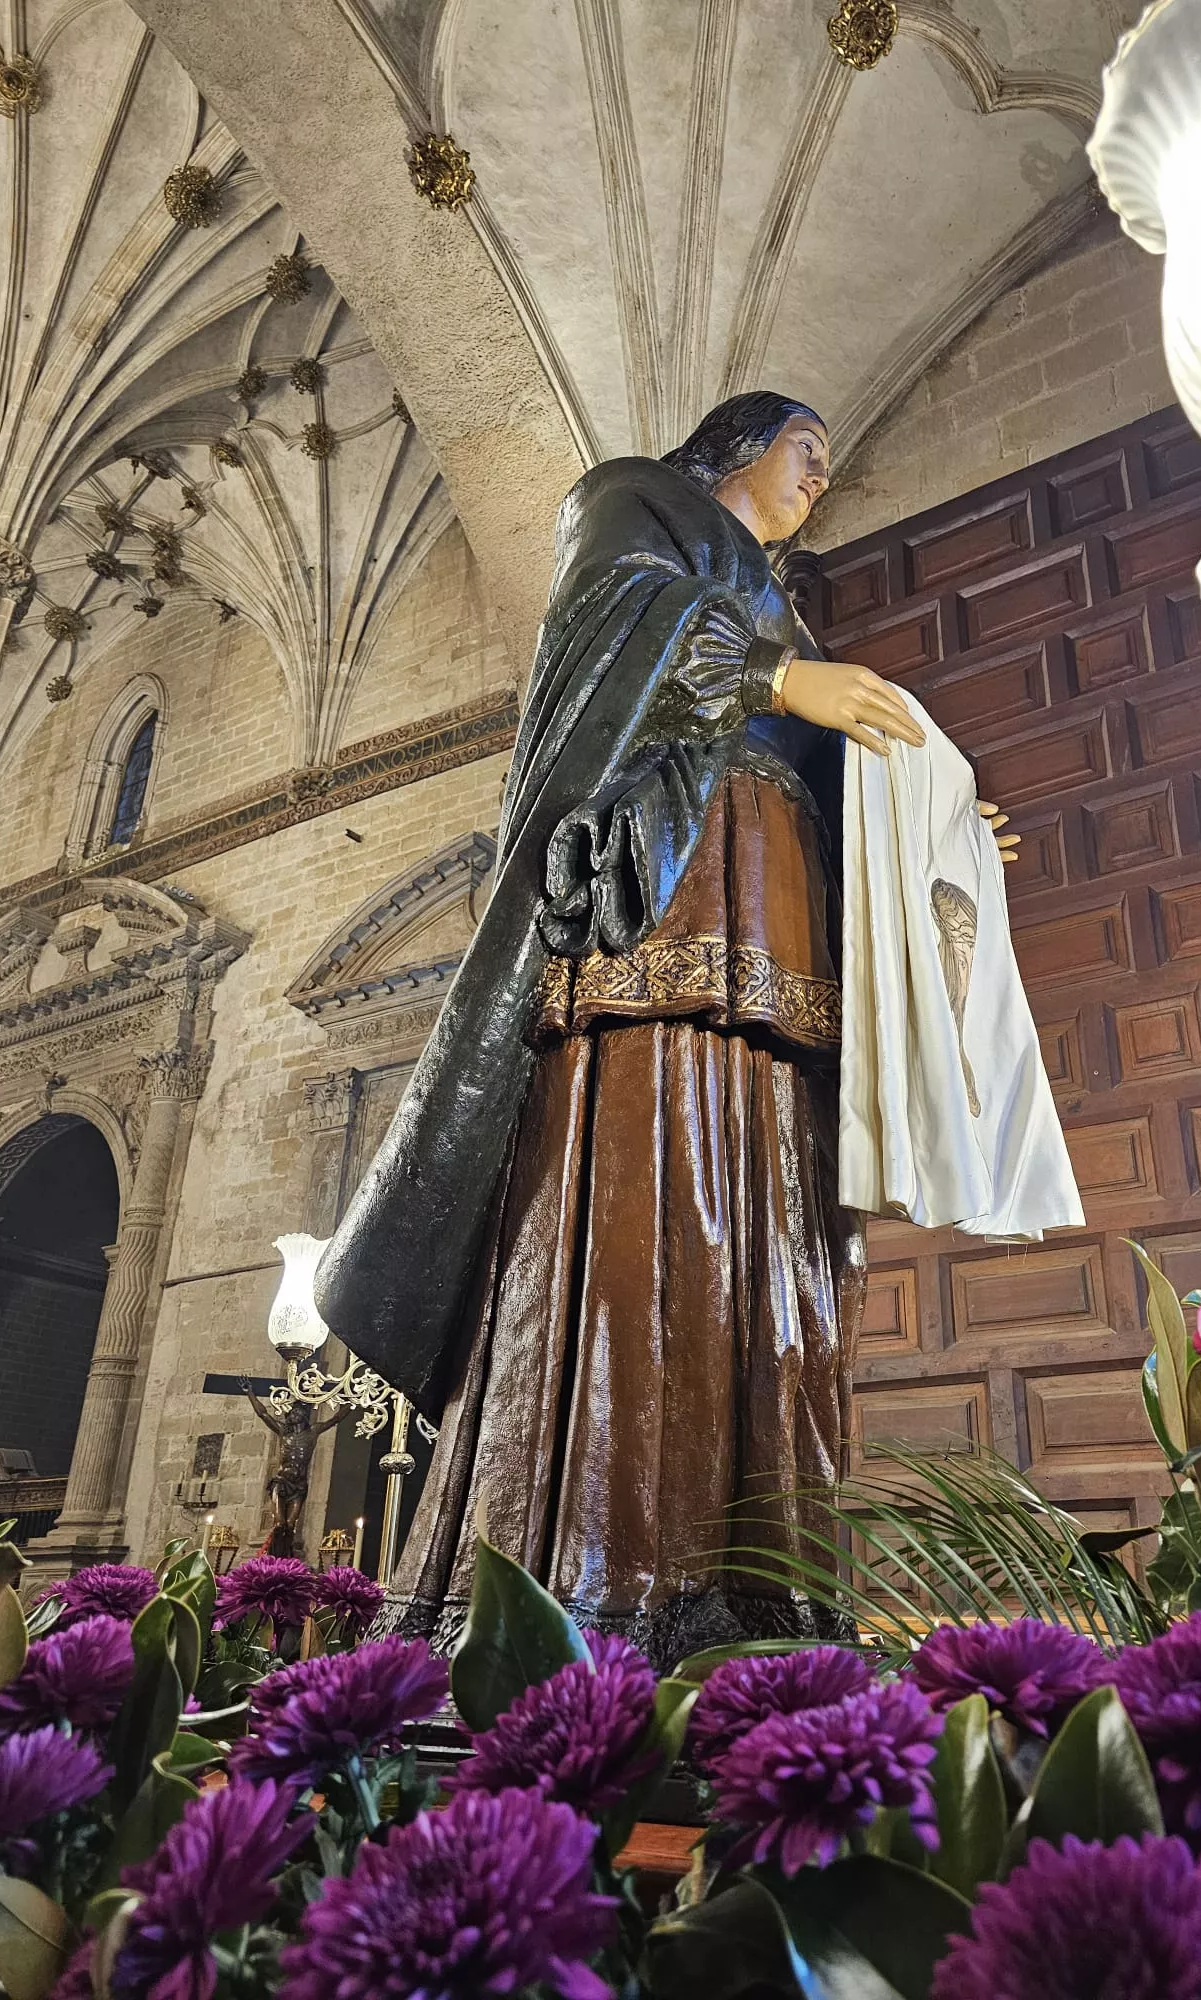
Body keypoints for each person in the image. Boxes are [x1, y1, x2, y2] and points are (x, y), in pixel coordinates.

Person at [316, 392, 1013, 1665]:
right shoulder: (634, 499)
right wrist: (772, 675)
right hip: (667, 875)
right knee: (647, 1155)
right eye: (806, 452)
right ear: (740, 444)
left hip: (777, 890)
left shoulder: (779, 598)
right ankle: (595, 1574)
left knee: (777, 1190)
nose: (819, 479)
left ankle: (757, 1591)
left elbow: (816, 750)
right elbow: (608, 629)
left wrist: (929, 818)